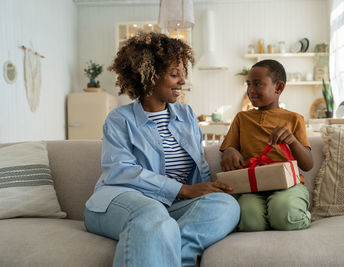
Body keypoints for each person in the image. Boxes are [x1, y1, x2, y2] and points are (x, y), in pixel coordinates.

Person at [84, 32, 240, 267]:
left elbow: (199, 165)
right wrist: (183, 190)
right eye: (174, 74)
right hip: (119, 201)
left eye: (182, 74)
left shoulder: (186, 115)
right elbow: (121, 171)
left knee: (226, 206)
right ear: (149, 76)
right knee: (150, 214)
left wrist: (212, 188)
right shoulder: (119, 119)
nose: (182, 82)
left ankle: (174, 256)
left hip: (169, 206)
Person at [220, 59, 313, 232]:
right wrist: (229, 151)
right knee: (249, 220)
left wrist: (292, 141)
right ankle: (272, 219)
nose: (251, 90)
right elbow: (228, 148)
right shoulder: (242, 119)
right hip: (253, 187)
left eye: (257, 84)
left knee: (284, 213)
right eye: (248, 84)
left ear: (278, 88)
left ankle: (298, 215)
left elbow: (307, 165)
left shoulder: (294, 119)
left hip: (288, 186)